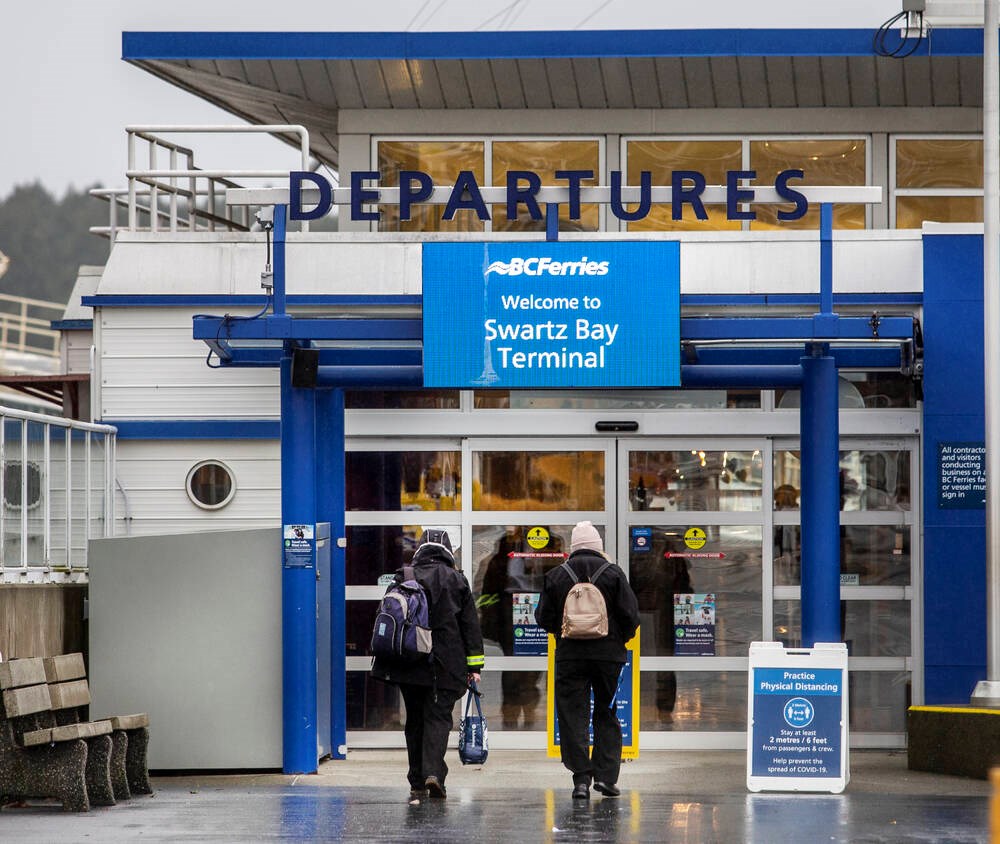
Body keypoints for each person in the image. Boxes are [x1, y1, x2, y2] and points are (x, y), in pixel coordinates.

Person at [371, 528, 485, 803]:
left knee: (415, 720)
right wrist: (475, 666)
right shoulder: (457, 580)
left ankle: (416, 782)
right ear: (448, 551)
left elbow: (387, 617)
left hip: (409, 664)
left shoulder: (404, 576)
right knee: (438, 719)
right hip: (446, 666)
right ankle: (434, 773)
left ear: (421, 548)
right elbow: (470, 626)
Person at [535, 521, 640, 801]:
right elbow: (631, 616)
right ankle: (606, 778)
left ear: (573, 548)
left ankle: (581, 779)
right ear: (598, 547)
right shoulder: (613, 573)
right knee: (606, 712)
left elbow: (543, 618)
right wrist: (620, 640)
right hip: (608, 657)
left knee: (572, 716)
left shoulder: (557, 575)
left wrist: (562, 633)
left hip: (570, 656)